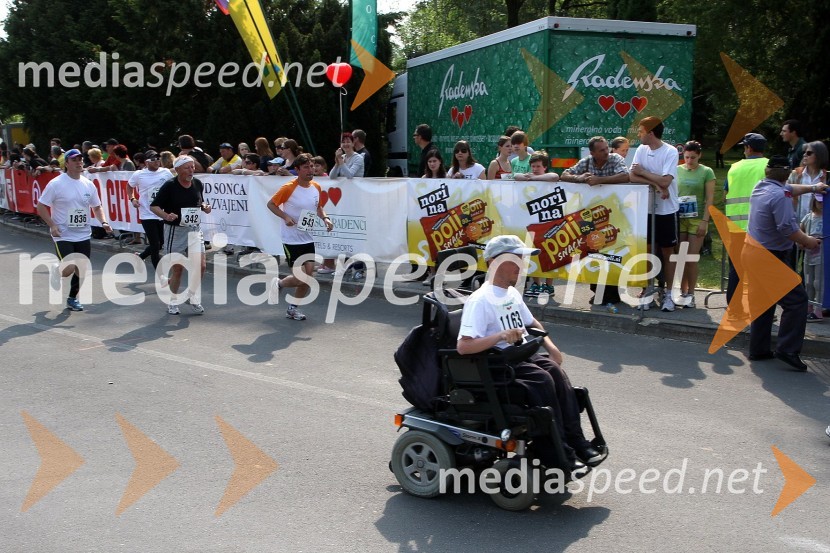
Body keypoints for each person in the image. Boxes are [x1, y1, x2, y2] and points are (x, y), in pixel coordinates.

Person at [456, 234, 606, 472]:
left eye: (522, 259)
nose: (521, 265)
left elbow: (531, 322)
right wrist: (500, 336)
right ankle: (557, 454)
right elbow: (464, 347)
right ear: (493, 262)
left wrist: (551, 347)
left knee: (556, 372)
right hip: (499, 365)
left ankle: (576, 441)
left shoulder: (511, 293)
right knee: (543, 380)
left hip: (522, 356)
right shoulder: (480, 300)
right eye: (515, 259)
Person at [744, 156, 819, 372]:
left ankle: (759, 349)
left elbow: (791, 189)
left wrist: (814, 188)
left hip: (752, 251)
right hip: (770, 256)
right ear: (787, 174)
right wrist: (809, 241)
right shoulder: (780, 195)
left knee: (764, 300)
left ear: (767, 172)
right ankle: (787, 350)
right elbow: (787, 228)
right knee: (797, 301)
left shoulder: (761, 187)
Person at [36, 149, 113, 311]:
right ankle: (57, 271)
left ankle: (72, 299)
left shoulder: (88, 184)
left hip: (83, 233)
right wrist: (52, 225)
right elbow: (41, 206)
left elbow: (96, 206)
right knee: (69, 268)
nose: (79, 162)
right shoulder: (56, 184)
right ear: (67, 163)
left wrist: (104, 222)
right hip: (63, 234)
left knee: (81, 269)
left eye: (80, 159)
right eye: (74, 160)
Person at [560, 137, 629, 305]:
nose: (606, 152)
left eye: (606, 148)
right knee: (593, 251)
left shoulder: (615, 158)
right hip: (591, 215)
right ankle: (597, 291)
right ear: (592, 153)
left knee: (611, 253)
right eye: (602, 150)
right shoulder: (586, 162)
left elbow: (625, 176)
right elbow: (564, 174)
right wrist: (580, 178)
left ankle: (611, 294)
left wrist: (600, 180)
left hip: (613, 214)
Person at [267, 153, 334, 320]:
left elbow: (318, 207)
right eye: (306, 167)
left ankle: (293, 308)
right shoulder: (289, 188)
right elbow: (271, 204)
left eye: (311, 166)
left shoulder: (316, 187)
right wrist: (285, 216)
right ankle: (279, 283)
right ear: (297, 170)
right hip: (291, 240)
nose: (310, 170)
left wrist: (325, 218)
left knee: (307, 278)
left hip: (308, 238)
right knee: (300, 278)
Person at [629, 117, 681, 312]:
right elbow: (632, 176)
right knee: (648, 251)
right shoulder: (641, 150)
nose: (638, 135)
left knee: (668, 252)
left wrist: (645, 173)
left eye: (641, 131)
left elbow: (667, 181)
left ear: (651, 133)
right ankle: (648, 290)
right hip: (647, 209)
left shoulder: (670, 151)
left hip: (666, 209)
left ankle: (669, 293)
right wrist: (655, 184)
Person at [150, 157, 211, 315]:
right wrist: (166, 216)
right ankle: (172, 301)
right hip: (175, 231)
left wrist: (204, 206)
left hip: (194, 230)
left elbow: (200, 202)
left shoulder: (197, 183)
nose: (191, 171)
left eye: (192, 167)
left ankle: (192, 296)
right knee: (178, 269)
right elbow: (154, 206)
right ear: (177, 170)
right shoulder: (170, 186)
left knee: (201, 266)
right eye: (187, 168)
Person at [724, 132, 770, 314]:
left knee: (736, 269)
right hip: (759, 227)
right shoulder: (768, 167)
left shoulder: (734, 168)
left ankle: (734, 309)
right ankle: (758, 310)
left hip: (735, 226)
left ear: (749, 148)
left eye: (744, 147)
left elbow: (725, 194)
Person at [676, 141, 715, 308]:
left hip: (697, 219)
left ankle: (691, 294)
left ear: (699, 155)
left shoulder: (706, 172)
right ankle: (682, 291)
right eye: (687, 157)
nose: (689, 161)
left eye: (693, 157)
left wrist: (705, 221)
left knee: (691, 258)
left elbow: (710, 199)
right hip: (680, 219)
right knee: (680, 257)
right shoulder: (677, 170)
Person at [128, 150, 173, 269]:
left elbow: (173, 185)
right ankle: (160, 273)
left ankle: (140, 257)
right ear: (146, 162)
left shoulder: (166, 172)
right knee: (155, 244)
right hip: (147, 213)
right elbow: (129, 186)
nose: (157, 161)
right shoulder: (139, 174)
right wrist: (132, 199)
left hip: (162, 213)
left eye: (158, 158)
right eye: (153, 159)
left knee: (161, 243)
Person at [788, 141, 828, 224]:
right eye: (804, 152)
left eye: (809, 153)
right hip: (794, 223)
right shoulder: (795, 174)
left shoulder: (826, 177)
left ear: (819, 155)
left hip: (816, 225)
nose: (804, 155)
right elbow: (785, 193)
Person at [800, 193, 824, 321]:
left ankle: (818, 310)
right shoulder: (808, 217)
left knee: (818, 283)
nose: (821, 204)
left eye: (823, 202)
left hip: (821, 255)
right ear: (814, 202)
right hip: (809, 254)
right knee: (808, 282)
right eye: (819, 201)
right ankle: (808, 306)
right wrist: (801, 242)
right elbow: (801, 230)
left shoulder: (826, 217)